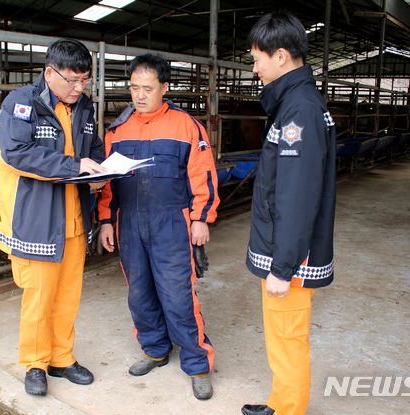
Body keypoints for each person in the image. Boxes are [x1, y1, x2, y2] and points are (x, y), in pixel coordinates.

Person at [97, 54, 220, 400]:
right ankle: (154, 349)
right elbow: (107, 183)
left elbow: (204, 176)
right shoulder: (117, 131)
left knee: (178, 296)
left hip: (171, 223)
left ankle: (197, 364)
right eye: (134, 88)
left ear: (164, 88)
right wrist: (105, 219)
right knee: (139, 293)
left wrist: (201, 218)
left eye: (147, 88)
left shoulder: (186, 126)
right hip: (129, 222)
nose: (139, 95)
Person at [0, 38, 107, 396]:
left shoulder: (83, 106)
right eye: (72, 80)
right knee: (39, 295)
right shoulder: (22, 103)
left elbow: (94, 147)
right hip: (37, 219)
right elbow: (18, 153)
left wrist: (101, 169)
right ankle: (35, 363)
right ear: (49, 72)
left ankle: (62, 357)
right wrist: (74, 166)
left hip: (73, 218)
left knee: (68, 295)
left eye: (85, 80)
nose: (79, 88)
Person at [242, 11, 336, 415]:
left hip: (290, 257)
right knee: (281, 335)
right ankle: (282, 401)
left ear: (280, 56)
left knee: (288, 336)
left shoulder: (300, 110)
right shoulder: (293, 103)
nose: (255, 68)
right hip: (285, 249)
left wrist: (283, 268)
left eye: (257, 59)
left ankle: (290, 409)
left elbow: (297, 197)